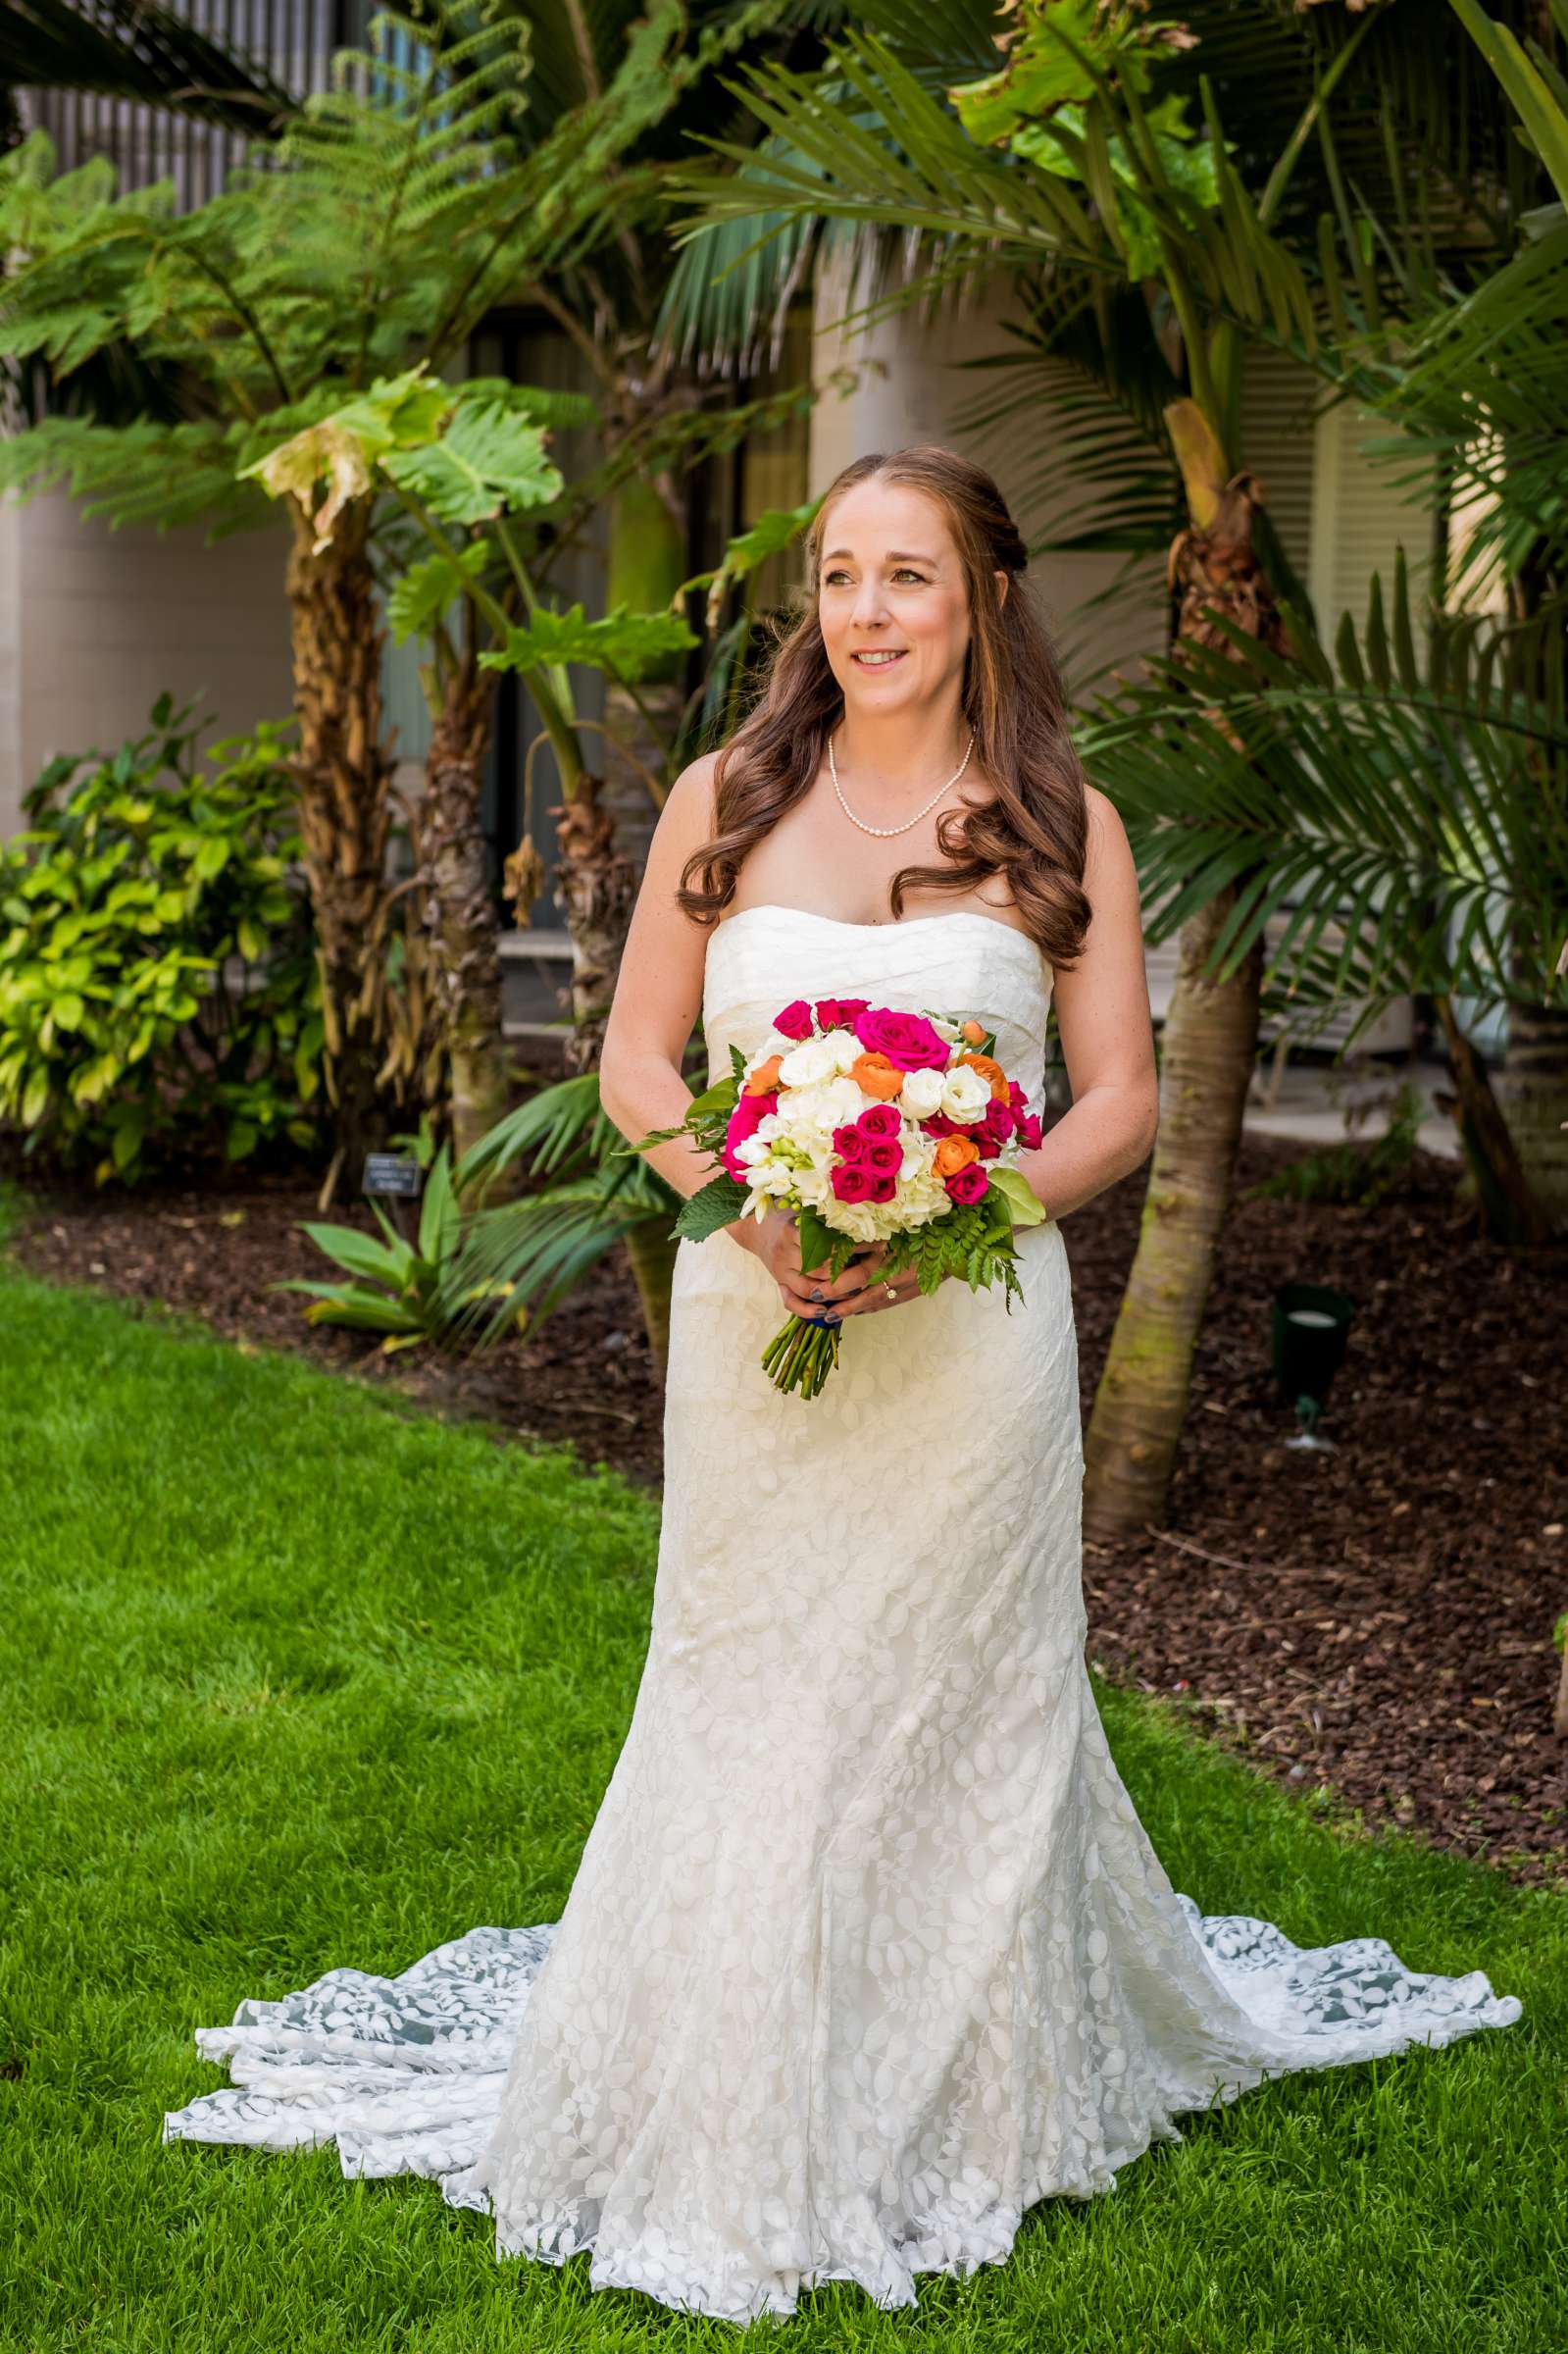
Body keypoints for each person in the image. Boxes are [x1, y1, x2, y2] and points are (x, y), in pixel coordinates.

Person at [163, 445, 1520, 2323]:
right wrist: (746, 1200)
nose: (867, 612)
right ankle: (730, 2083)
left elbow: (1116, 1099)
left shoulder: (1067, 824)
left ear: (983, 604)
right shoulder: (730, 801)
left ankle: (962, 2098)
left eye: (910, 578)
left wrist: (960, 1203)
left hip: (975, 1341)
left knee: (959, 1703)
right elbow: (639, 1061)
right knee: (759, 1692)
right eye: (840, 574)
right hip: (757, 1322)